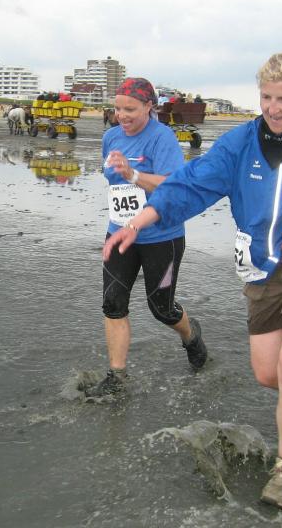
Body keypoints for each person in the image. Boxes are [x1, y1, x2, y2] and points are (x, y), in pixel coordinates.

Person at [103, 53, 282, 507]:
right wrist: (138, 223)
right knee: (268, 373)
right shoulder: (240, 144)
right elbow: (188, 186)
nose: (273, 107)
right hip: (264, 270)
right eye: (266, 97)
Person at [86, 77, 208, 398]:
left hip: (161, 237)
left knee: (161, 308)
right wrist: (124, 186)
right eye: (117, 109)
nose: (121, 116)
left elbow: (173, 186)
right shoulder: (111, 137)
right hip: (119, 233)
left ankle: (191, 335)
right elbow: (114, 182)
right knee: (113, 303)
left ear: (149, 107)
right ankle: (117, 377)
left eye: (130, 109)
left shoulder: (162, 138)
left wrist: (133, 174)